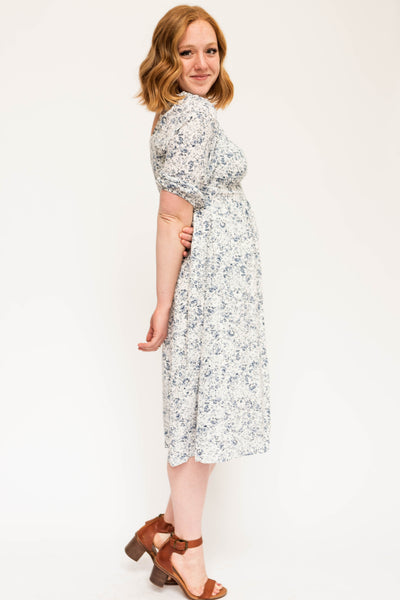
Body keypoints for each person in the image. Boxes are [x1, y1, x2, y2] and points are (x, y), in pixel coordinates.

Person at [125, 5, 271, 599]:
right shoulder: (190, 119)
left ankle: (165, 529)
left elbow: (183, 208)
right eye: (187, 52)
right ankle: (186, 551)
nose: (202, 63)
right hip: (210, 293)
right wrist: (164, 304)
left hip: (221, 287)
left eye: (210, 50)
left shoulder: (186, 115)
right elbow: (170, 218)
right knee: (198, 420)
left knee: (203, 414)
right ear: (167, 58)